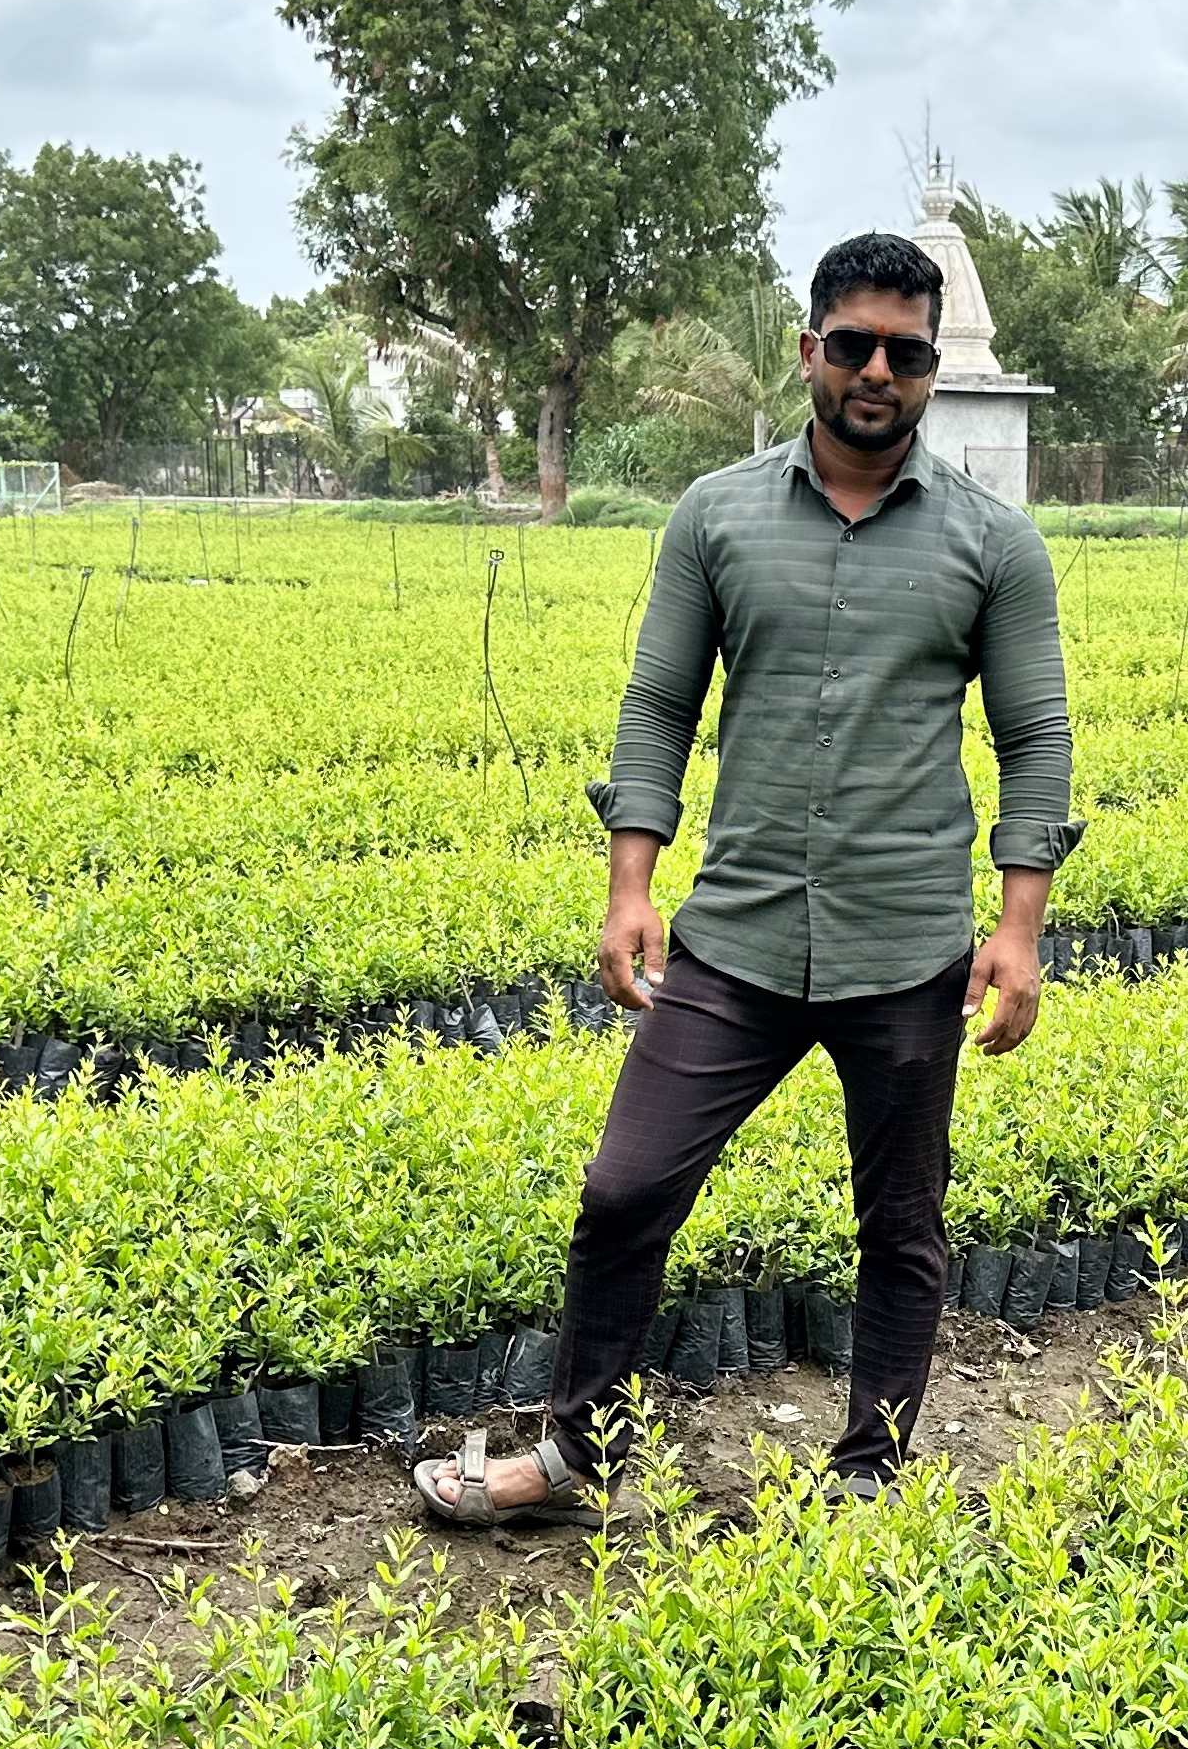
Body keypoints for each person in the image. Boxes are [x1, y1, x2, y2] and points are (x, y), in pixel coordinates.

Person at [412, 228, 1079, 1523]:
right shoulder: (715, 516)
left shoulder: (995, 545)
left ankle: (872, 1475)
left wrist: (1018, 928)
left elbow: (1036, 734)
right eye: (853, 346)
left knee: (901, 1223)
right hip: (743, 937)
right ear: (809, 351)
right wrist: (629, 888)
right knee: (624, 1191)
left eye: (905, 352)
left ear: (933, 368)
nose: (877, 371)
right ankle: (571, 1458)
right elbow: (660, 704)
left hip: (905, 947)